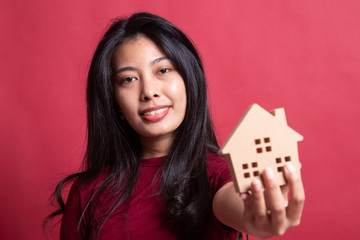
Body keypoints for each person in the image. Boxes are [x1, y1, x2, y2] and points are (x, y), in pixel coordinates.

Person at [45, 12, 305, 240]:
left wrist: (257, 217)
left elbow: (235, 203)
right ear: (113, 100)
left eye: (163, 70)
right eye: (129, 79)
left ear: (189, 80)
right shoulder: (87, 192)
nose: (149, 91)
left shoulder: (221, 174)